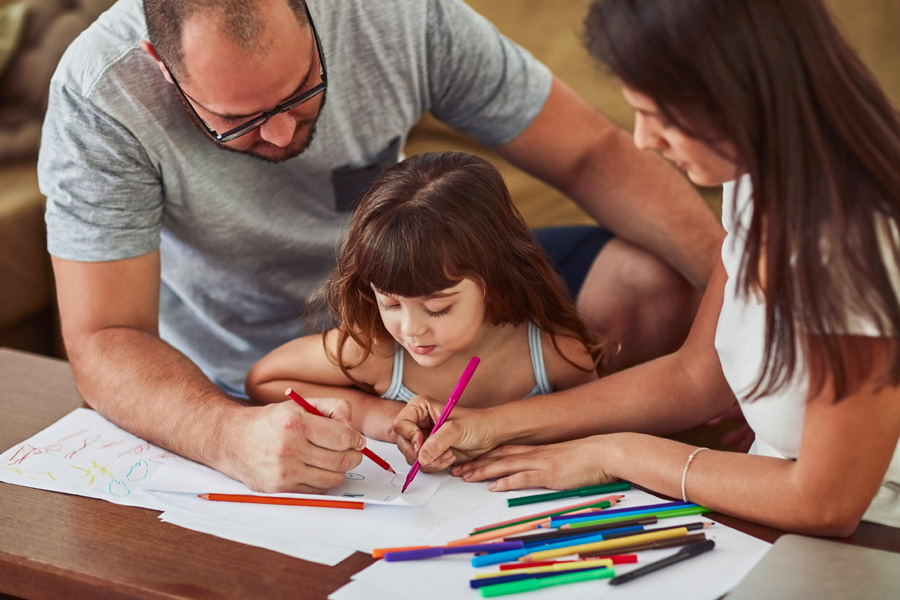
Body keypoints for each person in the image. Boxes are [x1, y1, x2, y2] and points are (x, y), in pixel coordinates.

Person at [38, 0, 721, 493]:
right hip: (254, 361)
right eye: (235, 122)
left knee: (651, 282)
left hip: (423, 270)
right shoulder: (101, 93)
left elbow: (593, 154)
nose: (278, 138)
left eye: (301, 94)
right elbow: (104, 336)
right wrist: (227, 436)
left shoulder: (398, 14)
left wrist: (750, 291)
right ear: (160, 66)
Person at [395, 0, 900, 534]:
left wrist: (616, 454)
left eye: (660, 116)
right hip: (771, 517)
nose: (643, 140)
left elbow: (828, 503)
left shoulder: (854, 241)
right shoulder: (758, 178)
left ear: (741, 90)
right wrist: (492, 424)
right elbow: (696, 378)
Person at [245, 152, 604, 441]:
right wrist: (376, 415)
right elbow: (264, 380)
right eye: (390, 303)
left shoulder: (555, 356)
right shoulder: (376, 352)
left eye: (437, 308)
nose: (411, 329)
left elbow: (597, 422)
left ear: (495, 280)